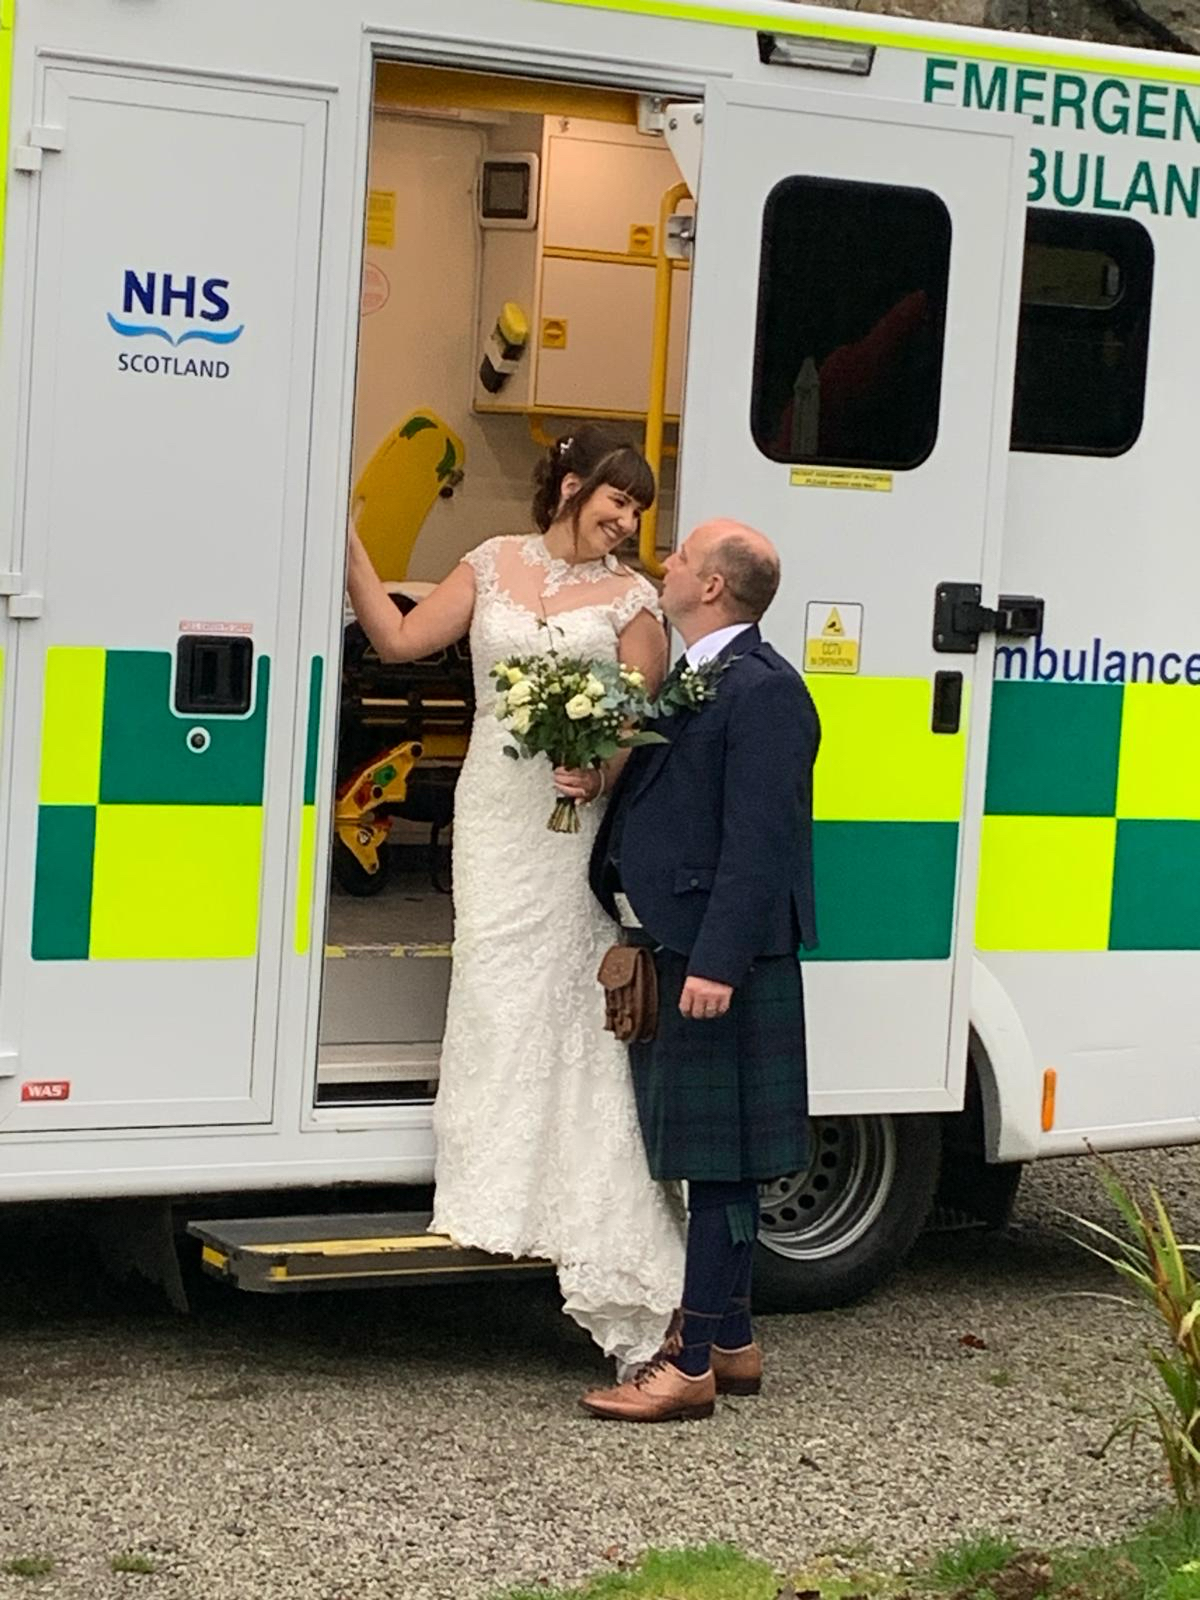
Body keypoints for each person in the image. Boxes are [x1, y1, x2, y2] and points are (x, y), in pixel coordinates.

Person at [345, 425, 685, 1371]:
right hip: (495, 807)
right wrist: (346, 542)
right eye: (617, 499)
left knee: (571, 1005)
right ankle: (503, 1196)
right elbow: (400, 637)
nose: (626, 521)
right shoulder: (490, 561)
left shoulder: (635, 600)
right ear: (572, 486)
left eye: (638, 511)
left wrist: (600, 773)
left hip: (565, 823)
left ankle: (620, 1260)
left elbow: (637, 716)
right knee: (495, 991)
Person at [577, 518, 820, 1421]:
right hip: (680, 942)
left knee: (722, 1165)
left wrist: (717, 961)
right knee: (718, 1155)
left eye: (679, 557)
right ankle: (732, 1340)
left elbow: (762, 843)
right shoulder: (694, 679)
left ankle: (685, 1368)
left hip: (723, 959)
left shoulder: (764, 692)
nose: (664, 564)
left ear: (713, 586)